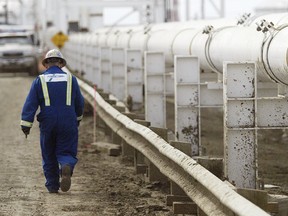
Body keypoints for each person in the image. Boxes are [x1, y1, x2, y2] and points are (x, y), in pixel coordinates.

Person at [20, 49, 84, 193]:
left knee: (48, 153)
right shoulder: (71, 79)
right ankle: (66, 164)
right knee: (66, 149)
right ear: (61, 64)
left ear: (46, 64)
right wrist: (78, 118)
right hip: (68, 120)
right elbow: (79, 103)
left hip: (48, 121)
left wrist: (26, 123)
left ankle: (52, 185)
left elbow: (31, 103)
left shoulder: (40, 80)